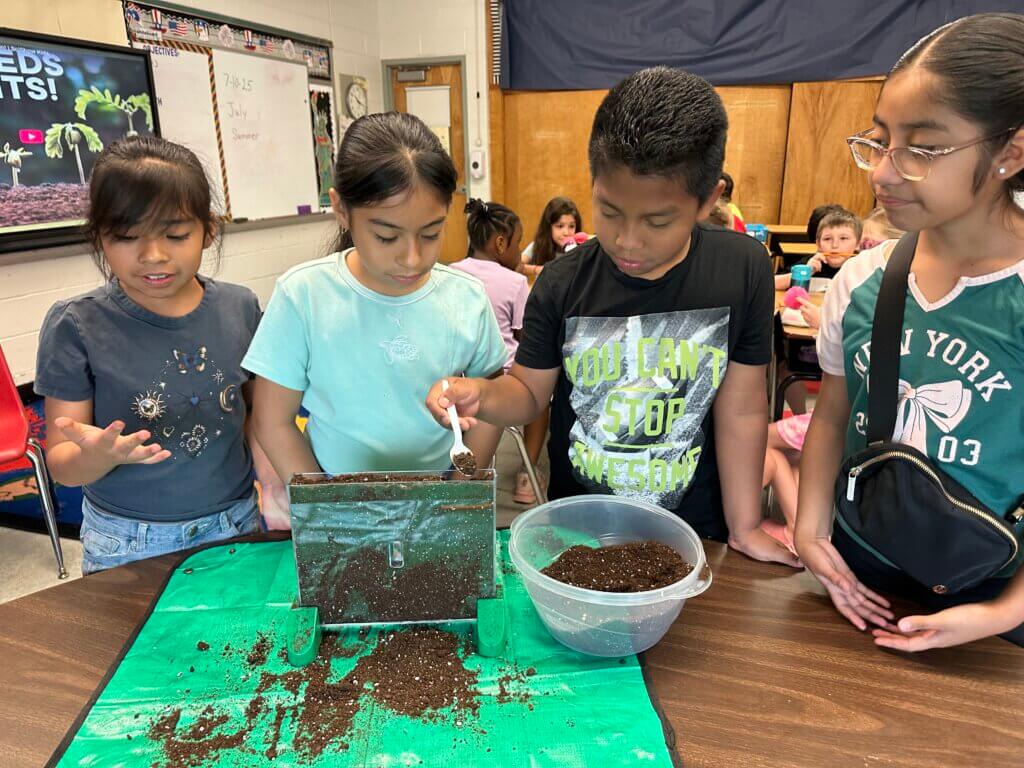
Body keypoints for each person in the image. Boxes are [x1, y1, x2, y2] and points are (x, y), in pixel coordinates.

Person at [428, 66, 799, 566]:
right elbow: (529, 394)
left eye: (657, 220)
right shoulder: (562, 283)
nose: (627, 240)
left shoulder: (742, 269)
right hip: (578, 534)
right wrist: (484, 394)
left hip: (692, 529)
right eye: (608, 210)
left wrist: (746, 525)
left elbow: (744, 408)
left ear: (708, 200)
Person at [796, 13, 1024, 650]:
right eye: (879, 140)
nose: (883, 172)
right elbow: (832, 416)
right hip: (863, 577)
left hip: (993, 601)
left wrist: (1003, 613)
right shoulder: (864, 278)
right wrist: (811, 534)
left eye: (922, 150)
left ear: (1010, 152)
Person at [34, 136, 282, 572]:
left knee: (236, 638)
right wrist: (100, 455)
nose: (153, 256)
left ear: (208, 231)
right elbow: (61, 464)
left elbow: (255, 417)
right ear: (99, 238)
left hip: (234, 522)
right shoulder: (75, 325)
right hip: (128, 539)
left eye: (175, 234)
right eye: (127, 236)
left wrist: (276, 484)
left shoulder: (240, 308)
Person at [244, 113, 506, 506]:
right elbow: (272, 419)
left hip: (439, 495)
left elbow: (491, 400)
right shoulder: (304, 295)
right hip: (337, 494)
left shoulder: (465, 298)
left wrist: (461, 490)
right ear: (341, 209)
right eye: (386, 236)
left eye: (432, 233)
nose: (412, 258)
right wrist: (327, 505)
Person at [450, 199, 529, 374]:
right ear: (500, 244)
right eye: (518, 243)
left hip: (463, 375)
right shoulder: (516, 282)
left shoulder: (452, 274)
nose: (519, 251)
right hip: (506, 377)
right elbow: (526, 340)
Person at [519, 196, 583, 277]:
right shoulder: (538, 245)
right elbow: (516, 266)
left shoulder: (580, 249)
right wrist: (537, 269)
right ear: (548, 227)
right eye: (560, 226)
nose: (566, 233)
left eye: (571, 226)